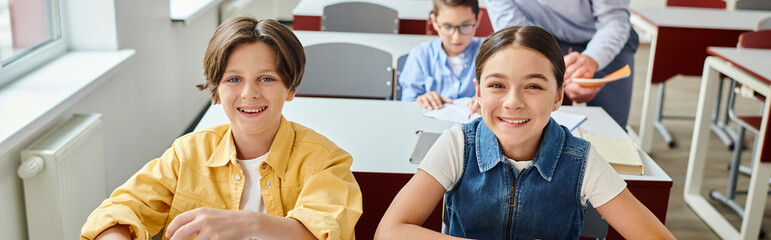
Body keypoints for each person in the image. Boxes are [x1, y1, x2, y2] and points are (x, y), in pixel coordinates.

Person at [374, 26, 673, 239]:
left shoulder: (582, 160)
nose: (513, 102)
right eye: (497, 85)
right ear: (477, 94)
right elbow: (389, 231)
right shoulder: (457, 144)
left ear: (558, 96)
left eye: (533, 86)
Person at [81, 17, 362, 240]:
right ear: (216, 92)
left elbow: (325, 233)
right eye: (233, 79)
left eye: (266, 79)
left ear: (290, 89)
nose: (249, 93)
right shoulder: (186, 155)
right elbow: (119, 210)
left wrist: (246, 224)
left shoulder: (326, 162)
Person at [484, 0, 639, 128]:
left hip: (603, 39)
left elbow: (614, 20)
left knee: (611, 129)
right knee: (535, 124)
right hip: (539, 39)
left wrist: (592, 59)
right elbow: (514, 26)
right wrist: (554, 69)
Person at [399, 0, 484, 110]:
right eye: (448, 27)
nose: (456, 37)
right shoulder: (421, 55)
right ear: (434, 21)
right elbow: (407, 105)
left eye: (465, 25)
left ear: (478, 19)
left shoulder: (491, 53)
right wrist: (421, 100)